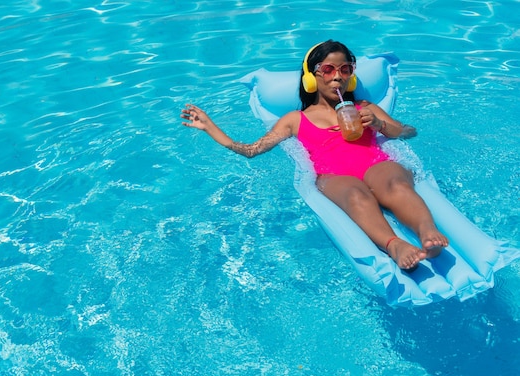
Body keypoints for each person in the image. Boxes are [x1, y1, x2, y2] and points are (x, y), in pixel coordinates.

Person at [180, 40, 448, 270]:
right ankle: (395, 245)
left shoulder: (364, 107)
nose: (337, 77)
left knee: (394, 181)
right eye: (328, 69)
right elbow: (252, 150)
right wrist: (211, 128)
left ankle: (427, 232)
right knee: (355, 193)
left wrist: (380, 125)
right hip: (335, 177)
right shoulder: (296, 120)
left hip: (374, 164)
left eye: (345, 70)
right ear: (312, 77)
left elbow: (407, 131)